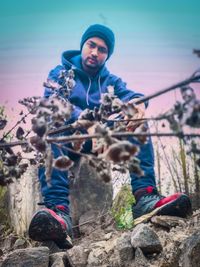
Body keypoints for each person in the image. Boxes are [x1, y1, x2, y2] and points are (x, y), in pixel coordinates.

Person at [28, 24, 192, 249]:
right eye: (91, 45)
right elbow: (54, 102)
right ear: (83, 45)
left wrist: (139, 104)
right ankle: (58, 211)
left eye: (102, 49)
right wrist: (86, 121)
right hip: (66, 140)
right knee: (47, 122)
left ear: (107, 55)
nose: (95, 52)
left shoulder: (110, 81)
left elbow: (131, 95)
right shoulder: (60, 72)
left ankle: (145, 197)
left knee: (137, 122)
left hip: (100, 142)